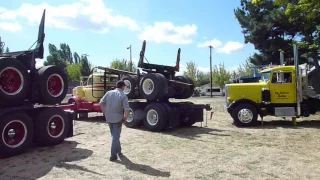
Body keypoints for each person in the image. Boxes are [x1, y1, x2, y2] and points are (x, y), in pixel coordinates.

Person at [99, 80, 130, 161]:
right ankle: (113, 155)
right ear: (122, 86)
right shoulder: (123, 95)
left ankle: (119, 151)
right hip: (117, 119)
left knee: (114, 135)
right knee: (115, 137)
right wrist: (125, 118)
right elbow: (127, 109)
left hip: (109, 118)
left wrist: (105, 113)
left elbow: (101, 103)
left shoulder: (109, 93)